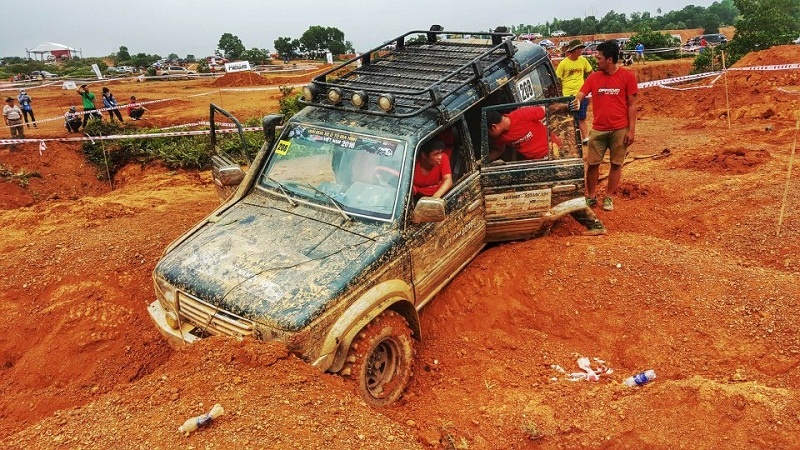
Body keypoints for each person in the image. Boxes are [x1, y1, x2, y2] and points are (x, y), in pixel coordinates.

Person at [571, 40, 638, 212]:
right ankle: (591, 196)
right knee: (593, 164)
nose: (596, 60)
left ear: (609, 59)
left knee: (616, 164)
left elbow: (632, 105)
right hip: (598, 129)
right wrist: (576, 101)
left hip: (620, 129)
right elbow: (581, 93)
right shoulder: (593, 78)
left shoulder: (628, 77)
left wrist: (631, 131)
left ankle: (608, 196)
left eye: (599, 57)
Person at [556, 39, 593, 145]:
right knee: (570, 118)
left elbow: (591, 73)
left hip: (581, 93)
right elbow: (558, 79)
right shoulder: (563, 63)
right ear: (574, 50)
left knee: (581, 117)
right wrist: (560, 94)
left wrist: (590, 88)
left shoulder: (583, 61)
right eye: (579, 49)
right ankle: (570, 140)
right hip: (568, 95)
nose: (581, 50)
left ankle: (585, 138)